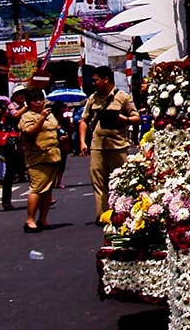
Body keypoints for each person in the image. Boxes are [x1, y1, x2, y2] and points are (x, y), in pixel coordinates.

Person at [78, 65, 139, 220]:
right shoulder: (93, 98)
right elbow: (84, 121)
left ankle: (123, 213)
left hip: (117, 146)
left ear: (106, 79)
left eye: (96, 80)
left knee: (121, 182)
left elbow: (136, 117)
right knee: (99, 183)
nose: (93, 83)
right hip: (97, 146)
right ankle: (102, 215)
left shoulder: (123, 97)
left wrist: (123, 119)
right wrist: (82, 142)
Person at [17, 89, 61, 233]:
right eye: (35, 100)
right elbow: (29, 132)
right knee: (37, 188)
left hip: (52, 155)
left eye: (40, 99)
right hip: (38, 157)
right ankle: (30, 220)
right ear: (29, 103)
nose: (38, 102)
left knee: (48, 189)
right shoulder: (27, 116)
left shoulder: (49, 114)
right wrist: (41, 118)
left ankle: (43, 219)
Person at [0, 99, 25, 211]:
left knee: (10, 173)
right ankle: (6, 201)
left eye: (2, 108)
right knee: (9, 174)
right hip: (4, 147)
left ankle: (6, 201)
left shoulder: (10, 115)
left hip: (9, 146)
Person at [49, 101, 72, 189]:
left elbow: (70, 129)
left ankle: (59, 182)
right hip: (54, 143)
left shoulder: (65, 119)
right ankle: (53, 182)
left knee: (62, 164)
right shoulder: (51, 119)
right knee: (54, 164)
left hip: (64, 144)